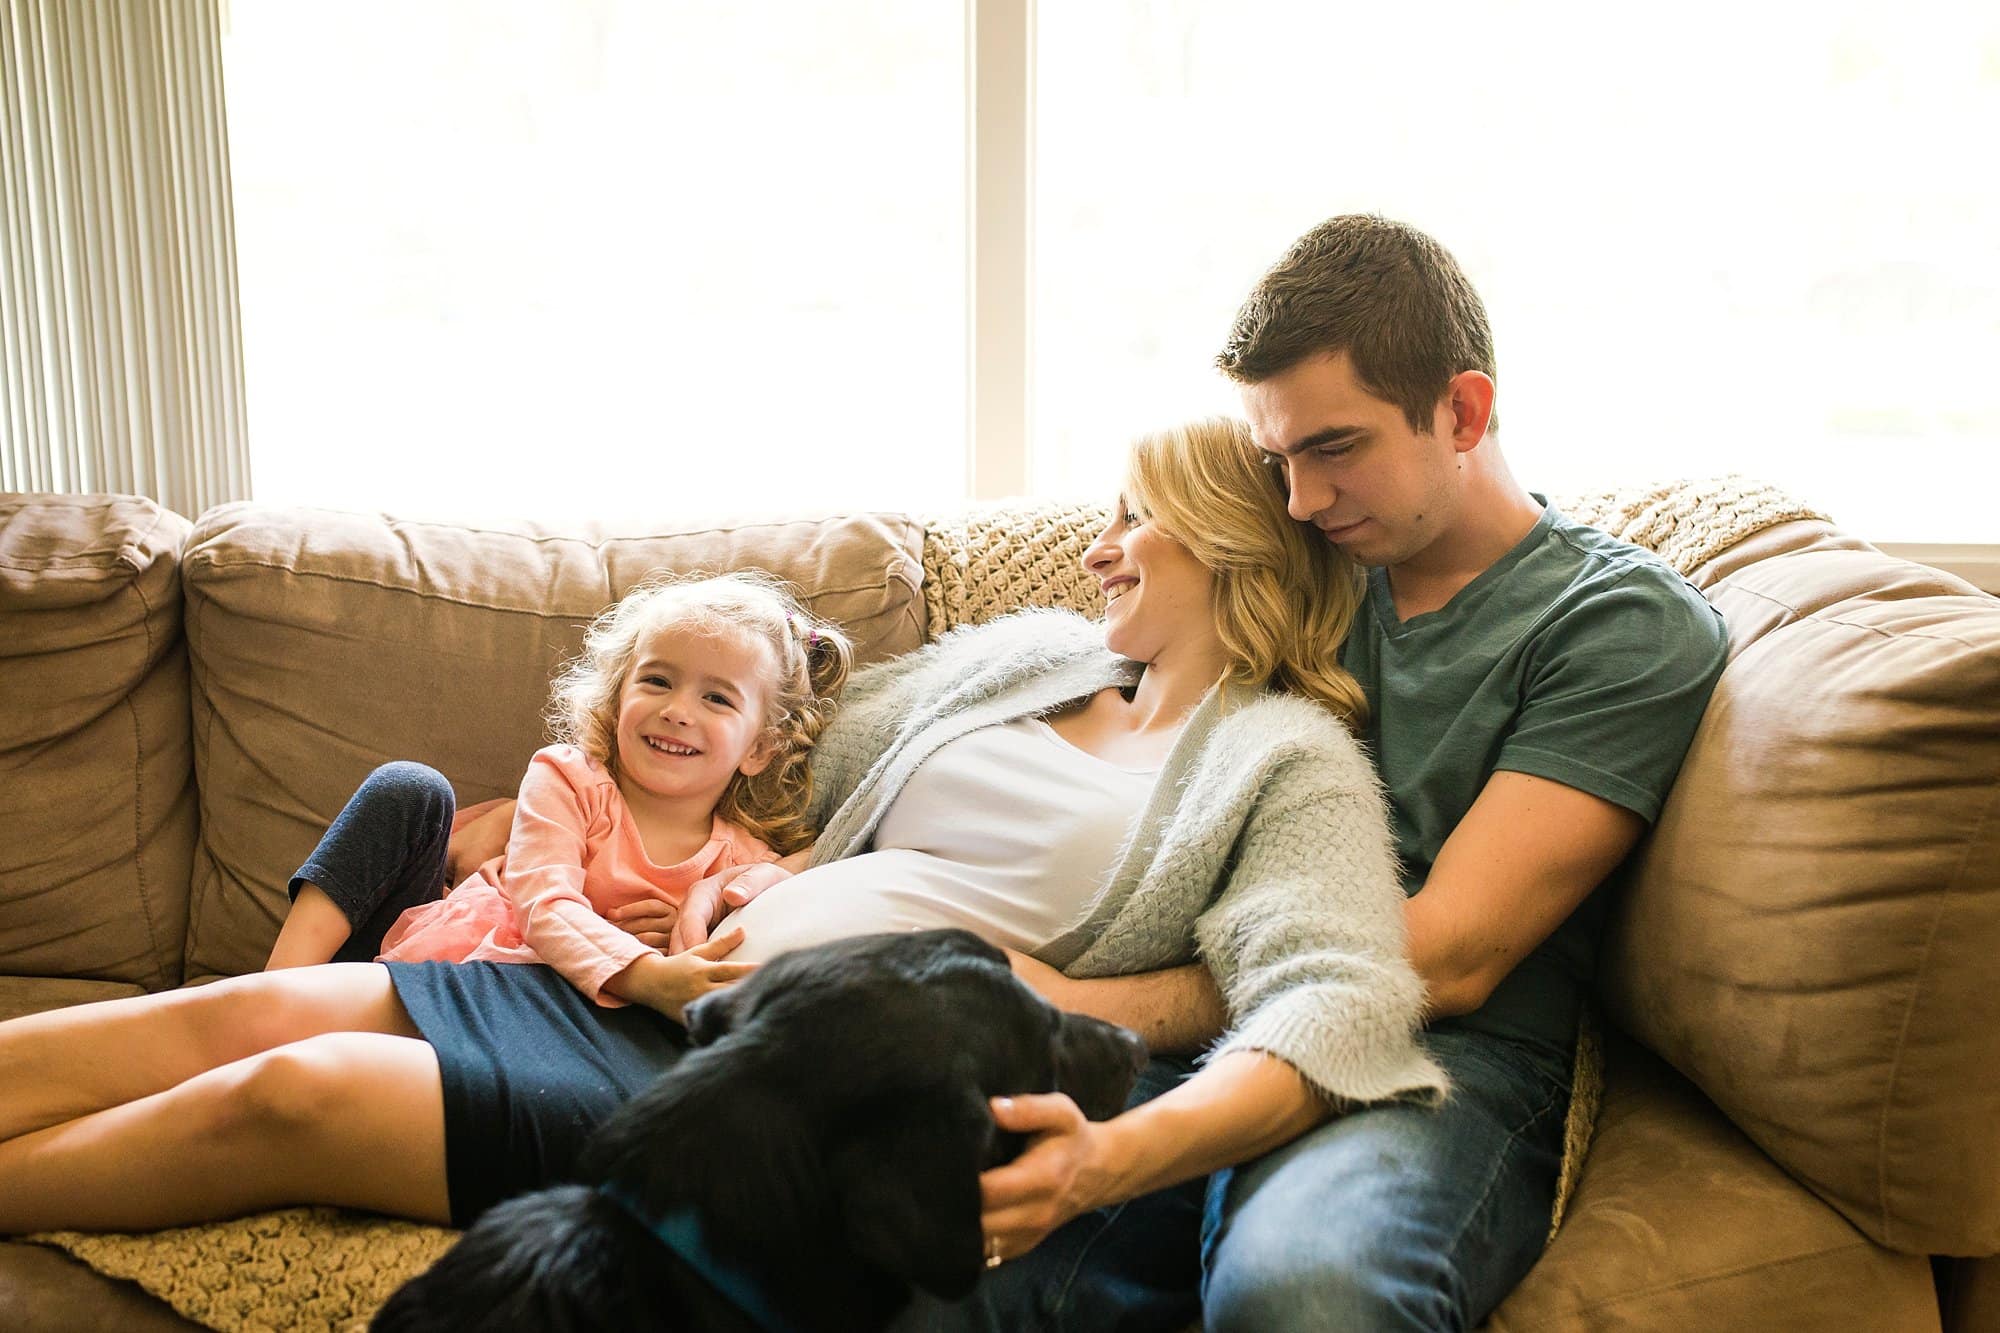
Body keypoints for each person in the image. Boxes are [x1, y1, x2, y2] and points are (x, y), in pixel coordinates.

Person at [0, 417, 1447, 1255]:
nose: (1095, 547)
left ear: (1230, 540)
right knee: (239, 1013)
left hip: (774, 1084)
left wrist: (1090, 1007)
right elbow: (780, 720)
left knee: (292, 1095)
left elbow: (1335, 999)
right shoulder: (1040, 659)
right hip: (654, 983)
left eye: (1136, 519)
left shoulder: (1283, 758)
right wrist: (678, 852)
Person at [850, 215, 1728, 1331]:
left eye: (1334, 447)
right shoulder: (1294, 562)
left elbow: (1448, 958)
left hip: (1417, 1057)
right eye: (1276, 459)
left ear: (1461, 411)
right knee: (907, 1271)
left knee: (1306, 1294)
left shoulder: (1614, 625)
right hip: (1193, 1024)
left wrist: (1083, 1001)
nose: (1301, 500)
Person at [262, 571, 851, 1025]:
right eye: (657, 681)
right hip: (424, 945)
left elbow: (835, 859)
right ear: (618, 695)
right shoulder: (568, 779)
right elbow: (543, 900)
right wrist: (644, 971)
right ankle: (273, 991)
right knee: (409, 788)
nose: (677, 711)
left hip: (521, 1014)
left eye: (718, 699)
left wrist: (692, 918)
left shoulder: (736, 860)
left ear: (761, 748)